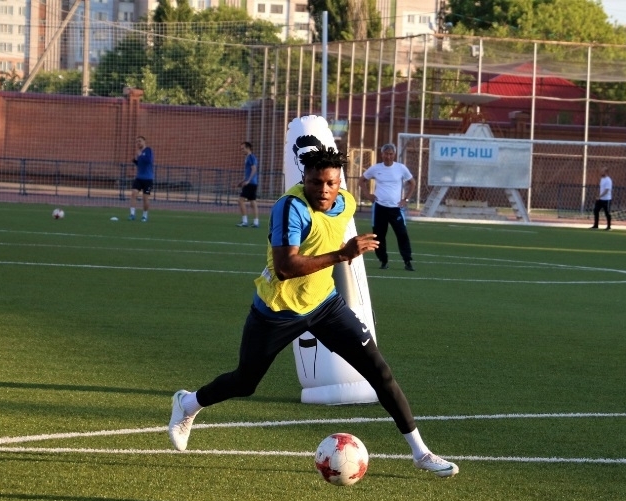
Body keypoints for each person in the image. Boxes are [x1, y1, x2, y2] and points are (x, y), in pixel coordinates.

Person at [169, 145, 458, 478]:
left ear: (340, 183)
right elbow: (285, 267)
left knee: (380, 373)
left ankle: (421, 453)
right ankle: (188, 403)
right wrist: (342, 255)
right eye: (316, 182)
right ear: (304, 179)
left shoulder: (347, 202)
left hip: (325, 305)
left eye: (331, 183)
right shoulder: (290, 207)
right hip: (278, 311)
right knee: (245, 382)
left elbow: (331, 238)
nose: (323, 190)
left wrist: (343, 255)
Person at [360, 143, 417, 271]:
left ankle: (407, 261)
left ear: (394, 154)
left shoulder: (400, 168)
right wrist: (368, 195)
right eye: (386, 154)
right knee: (379, 235)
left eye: (391, 154)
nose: (388, 156)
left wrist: (406, 199)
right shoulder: (376, 168)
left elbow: (412, 183)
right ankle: (383, 260)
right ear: (382, 154)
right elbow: (361, 180)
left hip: (396, 208)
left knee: (402, 234)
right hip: (380, 207)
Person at [129, 136, 154, 222]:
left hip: (148, 179)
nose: (138, 143)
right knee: (133, 194)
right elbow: (140, 164)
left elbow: (149, 161)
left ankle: (144, 216)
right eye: (137, 142)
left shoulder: (148, 150)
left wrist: (140, 156)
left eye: (140, 141)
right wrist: (135, 161)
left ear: (144, 141)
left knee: (145, 198)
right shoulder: (139, 152)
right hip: (139, 178)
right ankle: (132, 214)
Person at [237, 141, 260, 228]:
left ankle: (244, 221)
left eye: (243, 148)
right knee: (253, 202)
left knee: (240, 200)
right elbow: (249, 172)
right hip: (253, 183)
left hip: (250, 183)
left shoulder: (250, 157)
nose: (242, 150)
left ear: (248, 148)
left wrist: (248, 181)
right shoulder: (249, 157)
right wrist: (242, 181)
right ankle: (256, 222)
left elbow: (254, 169)